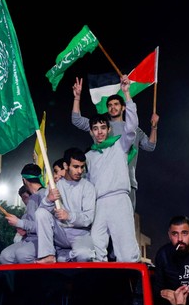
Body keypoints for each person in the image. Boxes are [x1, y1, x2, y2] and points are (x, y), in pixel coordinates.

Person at [71, 76, 159, 210]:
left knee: (125, 223)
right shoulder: (101, 127)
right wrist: (77, 98)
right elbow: (76, 120)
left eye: (116, 104)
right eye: (110, 105)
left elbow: (150, 146)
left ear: (123, 107)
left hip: (127, 182)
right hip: (101, 183)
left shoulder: (133, 129)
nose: (113, 107)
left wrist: (154, 127)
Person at [82, 75, 139, 262]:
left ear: (108, 130)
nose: (99, 131)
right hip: (99, 204)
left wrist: (126, 94)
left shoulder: (120, 145)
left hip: (119, 201)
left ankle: (131, 287)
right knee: (97, 249)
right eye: (95, 128)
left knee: (126, 251)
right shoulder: (88, 156)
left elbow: (131, 127)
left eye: (103, 127)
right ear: (91, 132)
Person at [35, 147, 96, 263]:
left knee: (84, 256)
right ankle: (48, 255)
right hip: (60, 233)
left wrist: (69, 216)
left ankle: (64, 257)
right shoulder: (54, 185)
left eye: (82, 167)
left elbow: (88, 218)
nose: (80, 171)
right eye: (75, 166)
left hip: (80, 234)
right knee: (41, 213)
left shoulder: (88, 187)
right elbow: (41, 216)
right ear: (66, 165)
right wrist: (48, 199)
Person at [0, 163, 46, 264]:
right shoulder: (32, 198)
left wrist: (19, 223)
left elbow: (44, 226)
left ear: (24, 180)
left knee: (22, 254)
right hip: (29, 239)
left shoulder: (44, 195)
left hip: (43, 239)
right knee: (5, 256)